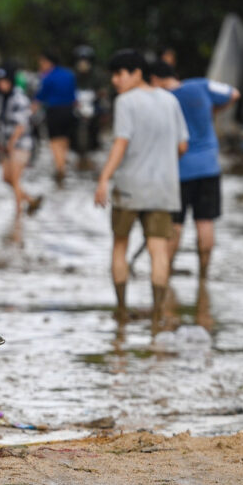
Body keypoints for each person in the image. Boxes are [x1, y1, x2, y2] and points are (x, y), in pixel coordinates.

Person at [93, 50, 188, 325]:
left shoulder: (126, 102)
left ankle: (122, 312)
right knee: (159, 251)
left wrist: (103, 179)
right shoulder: (171, 100)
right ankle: (158, 315)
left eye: (119, 74)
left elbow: (120, 143)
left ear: (136, 73)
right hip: (164, 188)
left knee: (120, 245)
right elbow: (182, 146)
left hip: (130, 187)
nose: (115, 80)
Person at [147, 61, 240, 280]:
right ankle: (204, 275)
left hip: (178, 170)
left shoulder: (162, 100)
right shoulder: (201, 86)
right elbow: (234, 94)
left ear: (155, 79)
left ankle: (165, 271)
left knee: (175, 224)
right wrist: (213, 111)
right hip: (209, 166)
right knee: (205, 222)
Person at [0, 66, 42, 217]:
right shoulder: (1, 97)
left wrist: (11, 143)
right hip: (7, 144)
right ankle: (30, 200)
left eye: (5, 81)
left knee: (14, 179)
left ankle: (18, 216)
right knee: (6, 178)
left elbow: (22, 125)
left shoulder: (19, 98)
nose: (2, 85)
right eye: (0, 82)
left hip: (20, 144)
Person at [35, 50, 77, 183]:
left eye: (42, 62)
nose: (41, 65)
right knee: (64, 139)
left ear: (48, 62)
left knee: (54, 141)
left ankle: (60, 169)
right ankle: (63, 163)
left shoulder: (48, 77)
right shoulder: (70, 74)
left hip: (54, 111)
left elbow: (40, 97)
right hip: (69, 111)